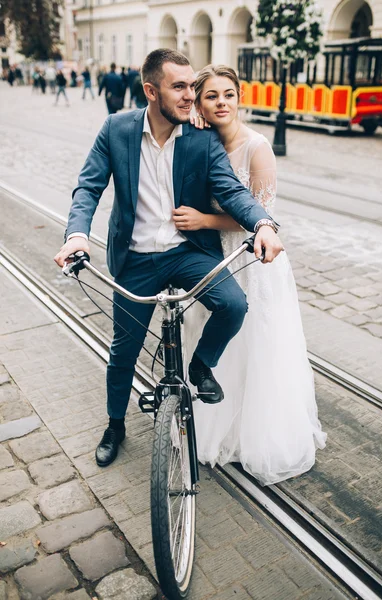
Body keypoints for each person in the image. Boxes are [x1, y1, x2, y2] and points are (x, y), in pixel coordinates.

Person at [54, 48, 283, 468]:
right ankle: (114, 426)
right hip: (137, 260)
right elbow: (87, 189)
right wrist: (77, 236)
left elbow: (233, 192)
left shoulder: (201, 139)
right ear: (150, 90)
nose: (190, 96)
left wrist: (263, 224)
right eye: (179, 87)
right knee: (124, 349)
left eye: (191, 86)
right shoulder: (116, 129)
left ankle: (200, 367)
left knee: (233, 304)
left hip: (185, 253)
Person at [178, 65, 326, 485]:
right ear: (199, 102)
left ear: (239, 98)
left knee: (256, 344)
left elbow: (259, 217)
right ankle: (213, 424)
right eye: (211, 96)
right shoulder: (197, 142)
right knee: (216, 338)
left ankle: (256, 432)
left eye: (228, 94)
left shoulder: (257, 147)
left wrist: (205, 220)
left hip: (250, 257)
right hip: (209, 259)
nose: (221, 102)